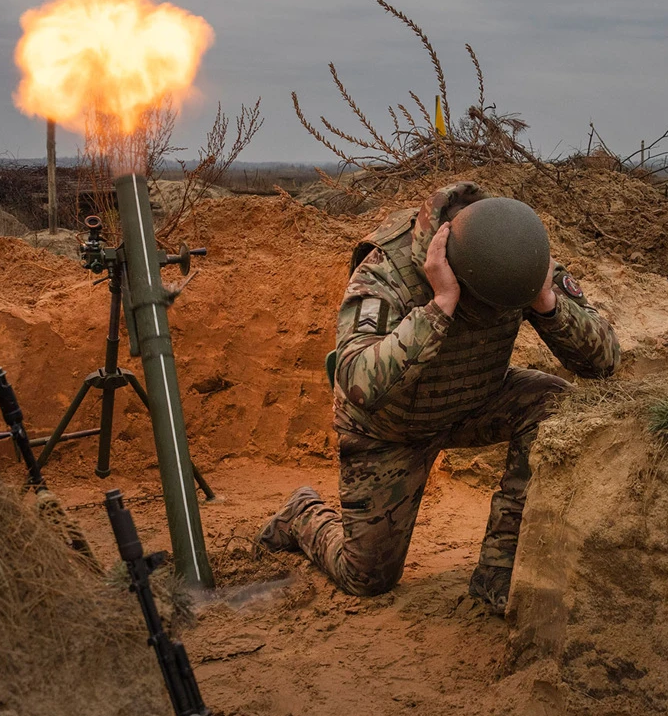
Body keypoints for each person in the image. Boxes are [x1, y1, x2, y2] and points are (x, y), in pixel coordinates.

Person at [258, 182, 620, 614]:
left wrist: (545, 301)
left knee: (552, 402)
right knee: (368, 579)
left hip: (473, 400)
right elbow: (356, 383)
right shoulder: (385, 271)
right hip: (390, 429)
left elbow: (605, 362)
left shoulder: (512, 257)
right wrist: (442, 305)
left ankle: (499, 569)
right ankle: (301, 513)